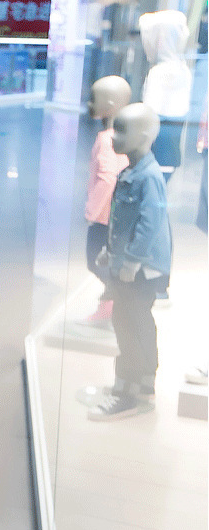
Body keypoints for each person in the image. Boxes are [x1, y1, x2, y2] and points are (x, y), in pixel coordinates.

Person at [89, 103, 172, 421]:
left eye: (122, 131)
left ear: (145, 136)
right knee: (134, 321)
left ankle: (128, 392)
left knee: (128, 324)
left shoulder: (148, 177)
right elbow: (123, 221)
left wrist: (132, 261)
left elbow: (150, 224)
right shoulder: (131, 172)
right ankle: (142, 383)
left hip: (141, 271)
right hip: (131, 266)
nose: (113, 137)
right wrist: (111, 252)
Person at [82, 76, 131, 324]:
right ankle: (110, 305)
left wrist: (91, 211)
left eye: (94, 99)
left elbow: (107, 178)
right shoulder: (123, 135)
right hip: (116, 214)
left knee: (95, 261)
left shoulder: (106, 139)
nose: (89, 104)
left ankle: (114, 302)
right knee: (105, 262)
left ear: (110, 106)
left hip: (104, 217)